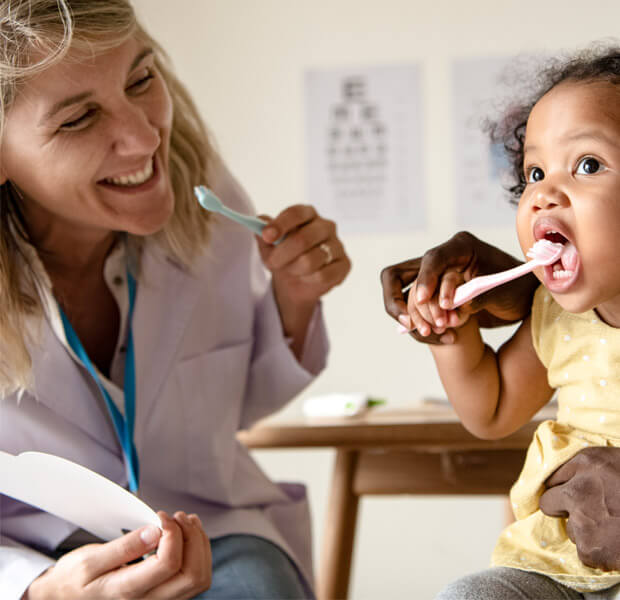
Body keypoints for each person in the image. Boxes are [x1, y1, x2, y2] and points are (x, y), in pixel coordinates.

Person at [0, 1, 351, 599]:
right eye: (80, 118)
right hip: (29, 553)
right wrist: (37, 588)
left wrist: (293, 296)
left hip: (211, 528)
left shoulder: (204, 199)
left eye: (141, 79)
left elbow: (230, 406)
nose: (143, 139)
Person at [396, 44, 620, 598]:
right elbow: (492, 410)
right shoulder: (558, 317)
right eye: (534, 173)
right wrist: (452, 334)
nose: (542, 194)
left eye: (587, 164)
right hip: (557, 566)